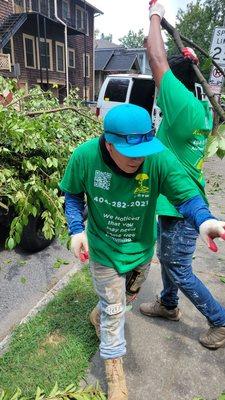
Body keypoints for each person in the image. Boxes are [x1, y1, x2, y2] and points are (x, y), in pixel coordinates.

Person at [60, 103, 225, 400]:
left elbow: (187, 196)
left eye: (143, 151)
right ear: (109, 144)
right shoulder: (84, 157)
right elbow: (72, 195)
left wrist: (205, 220)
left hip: (140, 251)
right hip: (104, 250)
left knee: (126, 299)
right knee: (115, 311)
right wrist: (76, 229)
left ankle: (99, 313)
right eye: (130, 153)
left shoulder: (157, 158)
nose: (138, 159)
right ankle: (115, 373)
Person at [140, 0, 225, 350]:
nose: (160, 86)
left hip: (180, 204)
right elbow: (172, 65)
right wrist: (188, 57)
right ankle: (169, 304)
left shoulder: (181, 104)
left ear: (174, 84)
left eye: (165, 83)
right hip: (176, 199)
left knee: (179, 267)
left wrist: (154, 13)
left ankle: (219, 321)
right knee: (170, 257)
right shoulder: (201, 107)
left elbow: (155, 56)